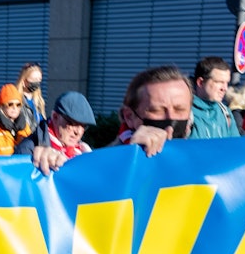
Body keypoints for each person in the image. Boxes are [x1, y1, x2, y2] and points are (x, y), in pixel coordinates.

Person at [36, 65, 192, 175]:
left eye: (180, 110)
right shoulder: (104, 166)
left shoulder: (207, 167)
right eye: (156, 110)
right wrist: (48, 163)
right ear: (129, 117)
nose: (171, 119)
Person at [16, 91, 95, 163]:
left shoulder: (83, 151)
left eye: (83, 126)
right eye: (72, 123)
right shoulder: (28, 149)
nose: (78, 132)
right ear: (55, 117)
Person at [190, 56, 239, 139]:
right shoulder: (183, 112)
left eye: (227, 83)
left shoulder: (226, 113)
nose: (224, 88)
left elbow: (237, 147)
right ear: (200, 82)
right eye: (219, 82)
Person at [0, 84, 33, 156]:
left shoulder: (25, 128)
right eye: (10, 104)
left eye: (18, 104)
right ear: (1, 106)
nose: (15, 108)